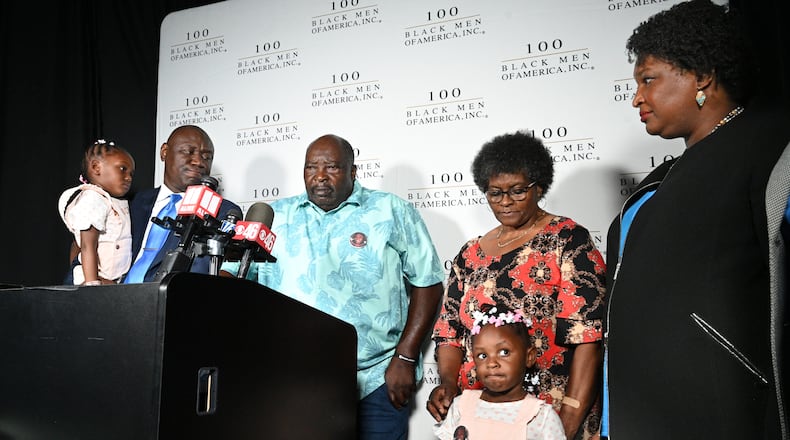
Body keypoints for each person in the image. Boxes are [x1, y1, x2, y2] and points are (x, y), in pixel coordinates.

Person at [603, 1, 790, 438]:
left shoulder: (772, 151)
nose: (637, 98)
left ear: (703, 75)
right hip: (641, 419)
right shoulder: (657, 183)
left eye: (649, 80)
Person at [220, 134, 445, 439]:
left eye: (333, 168)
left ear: (353, 172)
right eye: (312, 167)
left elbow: (428, 282)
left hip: (376, 379)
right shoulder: (275, 215)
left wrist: (405, 357)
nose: (321, 177)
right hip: (291, 383)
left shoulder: (390, 210)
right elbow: (232, 278)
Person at [428, 131, 606, 440]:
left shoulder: (566, 240)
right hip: (479, 419)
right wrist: (447, 384)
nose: (506, 201)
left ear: (539, 187)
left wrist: (569, 421)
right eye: (495, 193)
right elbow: (449, 334)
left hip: (545, 418)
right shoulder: (470, 254)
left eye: (518, 191)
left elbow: (587, 338)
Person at [124, 124, 240, 283]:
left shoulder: (223, 212)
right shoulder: (134, 202)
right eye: (188, 151)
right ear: (164, 152)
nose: (198, 161)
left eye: (207, 157)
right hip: (114, 298)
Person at [434, 304, 566, 440]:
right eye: (482, 355)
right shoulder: (461, 406)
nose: (491, 363)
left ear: (529, 357)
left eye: (504, 352)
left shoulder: (540, 417)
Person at [58, 139, 135, 285]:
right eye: (123, 169)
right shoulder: (93, 199)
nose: (128, 177)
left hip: (112, 281)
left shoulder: (115, 202)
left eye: (131, 173)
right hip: (93, 280)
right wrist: (92, 283)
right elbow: (87, 245)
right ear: (96, 168)